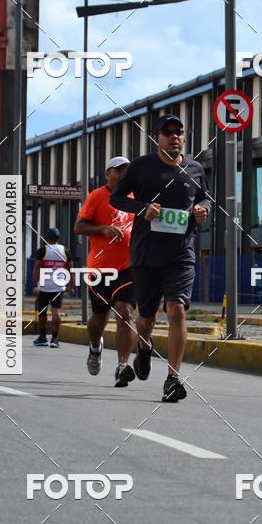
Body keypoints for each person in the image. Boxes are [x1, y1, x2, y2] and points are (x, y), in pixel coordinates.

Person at [110, 114, 211, 403]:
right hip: (145, 255)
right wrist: (142, 208)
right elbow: (116, 198)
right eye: (168, 132)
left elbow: (204, 198)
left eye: (179, 132)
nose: (175, 137)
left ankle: (172, 379)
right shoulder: (142, 167)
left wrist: (203, 209)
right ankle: (144, 347)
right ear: (158, 137)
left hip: (181, 254)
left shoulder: (195, 168)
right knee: (147, 318)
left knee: (177, 310)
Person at [74, 156, 136, 388]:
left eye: (126, 171)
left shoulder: (134, 196)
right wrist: (102, 229)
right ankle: (95, 347)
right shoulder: (97, 196)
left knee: (126, 311)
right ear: (107, 173)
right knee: (99, 317)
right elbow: (78, 227)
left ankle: (122, 366)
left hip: (129, 267)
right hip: (100, 268)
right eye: (118, 170)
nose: (122, 174)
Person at [32, 227, 74, 348]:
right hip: (59, 285)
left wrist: (35, 285)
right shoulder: (65, 250)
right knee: (56, 310)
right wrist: (71, 287)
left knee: (42, 311)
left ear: (46, 238)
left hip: (44, 286)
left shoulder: (42, 250)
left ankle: (43, 337)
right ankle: (55, 339)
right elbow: (71, 270)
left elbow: (36, 269)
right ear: (58, 238)